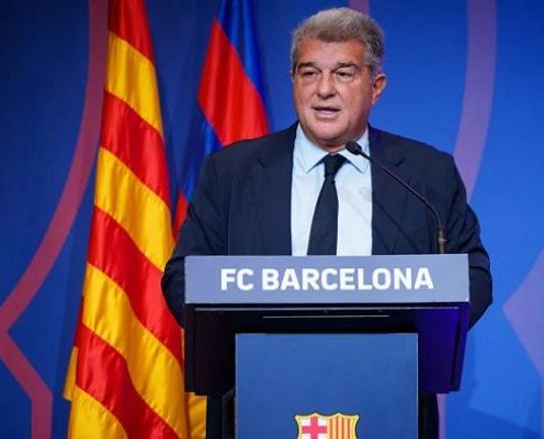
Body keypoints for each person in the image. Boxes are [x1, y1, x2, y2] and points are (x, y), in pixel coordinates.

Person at [162, 7, 492, 439]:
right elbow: (184, 277)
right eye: (309, 73)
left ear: (376, 87)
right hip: (256, 402)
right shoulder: (232, 172)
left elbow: (472, 278)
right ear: (293, 81)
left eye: (343, 74)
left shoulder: (426, 176)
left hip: (388, 401)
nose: (324, 90)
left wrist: (414, 343)